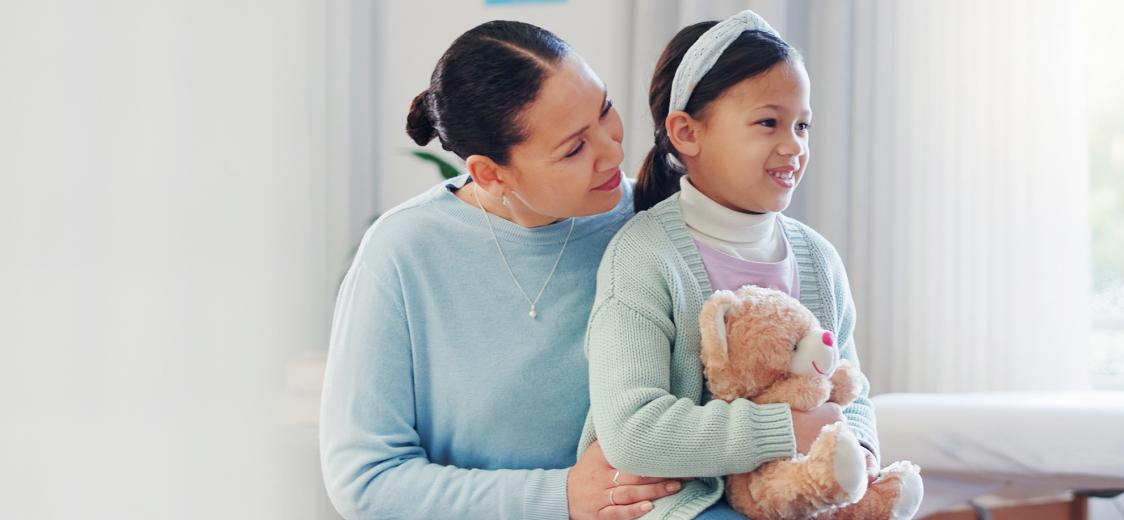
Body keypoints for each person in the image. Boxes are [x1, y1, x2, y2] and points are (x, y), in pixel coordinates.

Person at [319, 20, 678, 520]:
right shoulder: (403, 252)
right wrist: (562, 497)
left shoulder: (657, 217)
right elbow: (367, 478)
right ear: (490, 172)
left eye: (605, 110)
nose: (614, 151)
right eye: (574, 148)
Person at [578, 11, 883, 519]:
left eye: (802, 125)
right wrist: (786, 429)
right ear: (687, 133)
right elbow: (633, 431)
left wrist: (861, 451)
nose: (794, 146)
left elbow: (848, 392)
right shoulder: (644, 256)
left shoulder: (819, 259)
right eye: (769, 122)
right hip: (684, 506)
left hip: (799, 496)